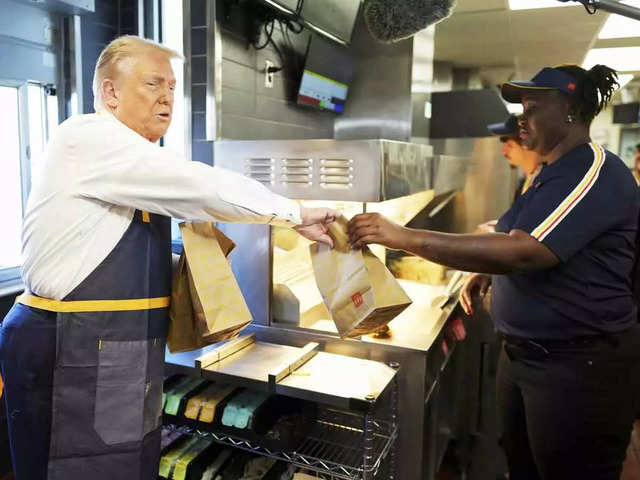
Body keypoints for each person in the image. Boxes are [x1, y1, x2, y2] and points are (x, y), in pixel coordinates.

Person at [0, 35, 337, 480]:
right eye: (152, 84)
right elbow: (199, 185)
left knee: (123, 466)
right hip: (69, 347)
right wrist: (294, 213)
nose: (166, 98)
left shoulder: (136, 160)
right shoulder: (88, 138)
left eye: (172, 88)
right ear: (110, 93)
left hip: (115, 351)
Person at [347, 64, 640, 480]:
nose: (522, 117)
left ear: (571, 111)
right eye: (521, 106)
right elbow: (509, 233)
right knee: (521, 464)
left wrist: (403, 237)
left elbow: (524, 251)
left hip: (578, 367)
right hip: (526, 357)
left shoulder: (591, 170)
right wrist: (486, 272)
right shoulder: (547, 175)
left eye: (534, 106)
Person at [488, 114, 543, 202]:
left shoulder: (543, 184)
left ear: (526, 143)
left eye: (509, 145)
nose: (503, 151)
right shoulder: (526, 183)